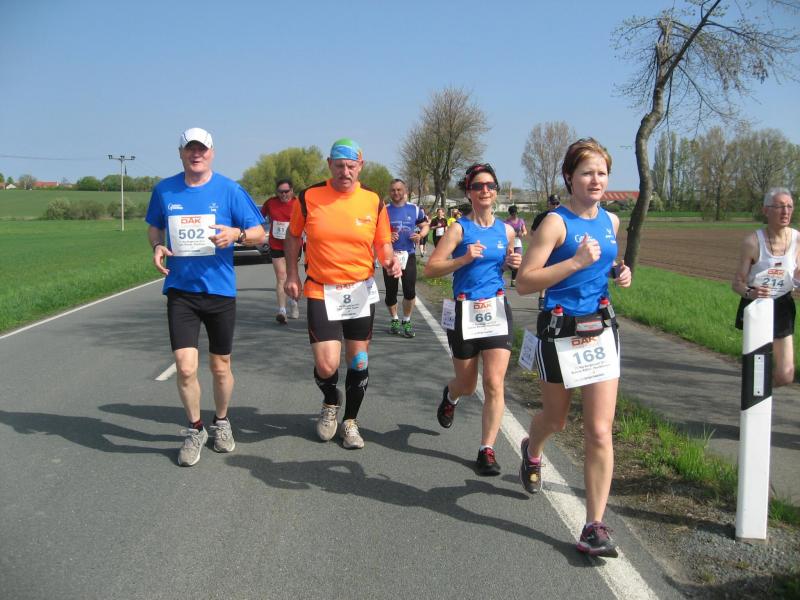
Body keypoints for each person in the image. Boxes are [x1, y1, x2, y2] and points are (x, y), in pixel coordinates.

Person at [515, 138, 632, 557]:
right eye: (587, 173)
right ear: (569, 177)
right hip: (559, 330)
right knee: (556, 420)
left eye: (602, 172)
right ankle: (532, 448)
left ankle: (593, 525)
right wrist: (575, 262)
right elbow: (524, 282)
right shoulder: (555, 223)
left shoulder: (611, 220)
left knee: (599, 430)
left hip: (600, 329)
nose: (596, 180)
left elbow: (605, 262)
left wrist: (619, 271)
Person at [146, 127, 266, 467]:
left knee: (220, 366)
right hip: (181, 292)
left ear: (211, 152)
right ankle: (195, 428)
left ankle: (222, 422)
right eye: (190, 149)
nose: (196, 154)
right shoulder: (165, 190)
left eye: (202, 149)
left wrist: (237, 234)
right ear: (181, 153)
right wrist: (157, 245)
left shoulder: (229, 190)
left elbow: (260, 233)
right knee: (185, 369)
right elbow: (154, 226)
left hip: (219, 291)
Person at [284, 138, 401, 449]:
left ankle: (350, 421)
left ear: (360, 166)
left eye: (351, 166)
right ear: (329, 165)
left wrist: (389, 260)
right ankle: (330, 400)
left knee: (359, 361)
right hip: (322, 289)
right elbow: (293, 236)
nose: (345, 172)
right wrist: (292, 274)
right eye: (339, 166)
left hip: (359, 291)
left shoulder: (373, 201)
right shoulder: (309, 197)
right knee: (326, 366)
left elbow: (382, 242)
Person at [424, 163, 522, 475]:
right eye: (478, 186)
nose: (485, 191)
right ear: (469, 192)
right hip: (464, 311)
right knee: (467, 384)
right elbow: (431, 268)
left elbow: (503, 265)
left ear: (496, 191)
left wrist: (512, 263)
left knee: (493, 382)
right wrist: (464, 259)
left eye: (490, 185)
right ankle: (451, 395)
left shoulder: (507, 230)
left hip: (495, 309)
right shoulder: (459, 229)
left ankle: (486, 449)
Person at [732, 187, 798, 386]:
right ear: (766, 210)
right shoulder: (752, 242)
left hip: (783, 306)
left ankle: (760, 391)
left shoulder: (797, 239)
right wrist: (751, 292)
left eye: (789, 206)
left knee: (786, 374)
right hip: (757, 306)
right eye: (779, 206)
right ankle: (754, 396)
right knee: (757, 369)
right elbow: (737, 283)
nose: (785, 212)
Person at [385, 178, 429, 338]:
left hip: (408, 255)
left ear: (405, 191)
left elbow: (425, 225)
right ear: (389, 192)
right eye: (393, 190)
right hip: (390, 256)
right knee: (391, 293)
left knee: (409, 292)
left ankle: (407, 320)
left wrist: (420, 235)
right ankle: (394, 320)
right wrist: (387, 236)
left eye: (399, 189)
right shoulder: (384, 210)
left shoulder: (414, 209)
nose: (396, 193)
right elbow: (375, 231)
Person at [261, 179, 300, 324]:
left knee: (292, 275)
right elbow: (259, 218)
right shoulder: (271, 203)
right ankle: (282, 311)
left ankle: (294, 302)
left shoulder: (298, 203)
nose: (283, 194)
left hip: (293, 245)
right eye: (280, 192)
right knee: (281, 277)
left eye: (286, 191)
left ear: (292, 191)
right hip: (276, 244)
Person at [504, 205, 528, 287]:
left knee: (517, 261)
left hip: (518, 243)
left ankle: (514, 280)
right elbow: (503, 233)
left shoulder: (520, 221)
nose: (514, 215)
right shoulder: (506, 222)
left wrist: (522, 234)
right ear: (510, 213)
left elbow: (525, 231)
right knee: (509, 262)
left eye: (515, 213)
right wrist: (510, 234)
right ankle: (504, 276)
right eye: (513, 213)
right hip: (509, 243)